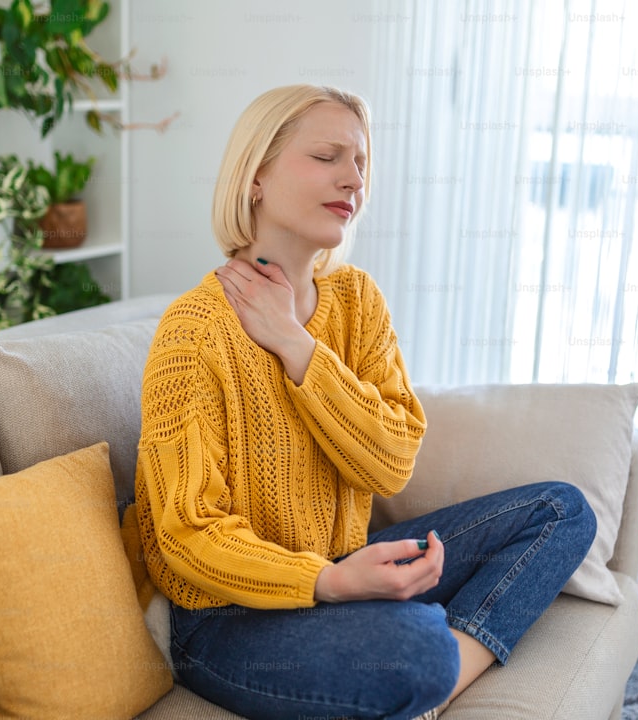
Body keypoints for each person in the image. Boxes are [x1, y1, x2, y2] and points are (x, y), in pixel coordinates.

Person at [135, 84, 597, 720]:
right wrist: (329, 583)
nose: (353, 178)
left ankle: (431, 684)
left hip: (343, 572)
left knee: (561, 510)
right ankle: (425, 673)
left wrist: (299, 349)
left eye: (360, 163)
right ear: (256, 176)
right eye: (328, 156)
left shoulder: (356, 300)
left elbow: (391, 462)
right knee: (417, 653)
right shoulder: (194, 332)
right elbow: (187, 536)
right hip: (231, 620)